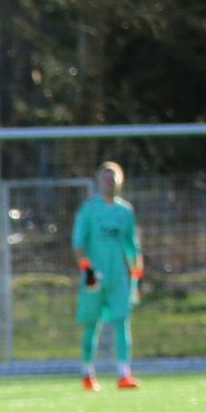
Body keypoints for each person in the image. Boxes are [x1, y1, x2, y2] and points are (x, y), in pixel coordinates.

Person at [71, 161, 144, 391]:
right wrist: (89, 271)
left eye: (112, 178)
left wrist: (136, 278)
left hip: (118, 277)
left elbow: (132, 246)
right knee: (92, 324)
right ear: (98, 182)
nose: (108, 183)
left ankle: (124, 372)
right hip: (94, 277)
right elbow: (78, 244)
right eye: (104, 178)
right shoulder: (89, 209)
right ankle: (87, 372)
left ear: (119, 181)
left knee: (122, 322)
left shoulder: (125, 211)